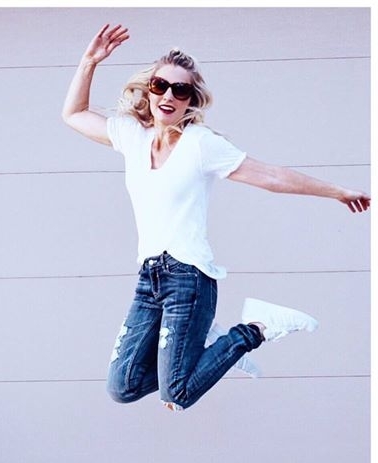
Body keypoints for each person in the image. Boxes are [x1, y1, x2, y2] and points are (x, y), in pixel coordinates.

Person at [62, 24, 370, 411]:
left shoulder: (201, 145)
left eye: (181, 90)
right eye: (161, 86)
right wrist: (89, 62)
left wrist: (337, 192)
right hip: (149, 279)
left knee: (179, 393)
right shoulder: (130, 136)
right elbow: (72, 113)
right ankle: (207, 349)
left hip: (188, 276)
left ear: (191, 99)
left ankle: (256, 327)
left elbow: (272, 177)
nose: (169, 96)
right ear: (149, 90)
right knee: (122, 387)